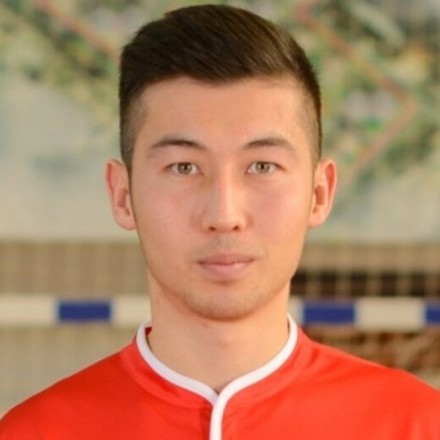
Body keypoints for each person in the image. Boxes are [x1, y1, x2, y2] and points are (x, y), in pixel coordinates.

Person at [1, 4, 439, 439]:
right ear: (122, 195)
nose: (224, 215)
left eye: (262, 166)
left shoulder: (419, 425)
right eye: (184, 167)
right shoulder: (32, 433)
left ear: (319, 193)